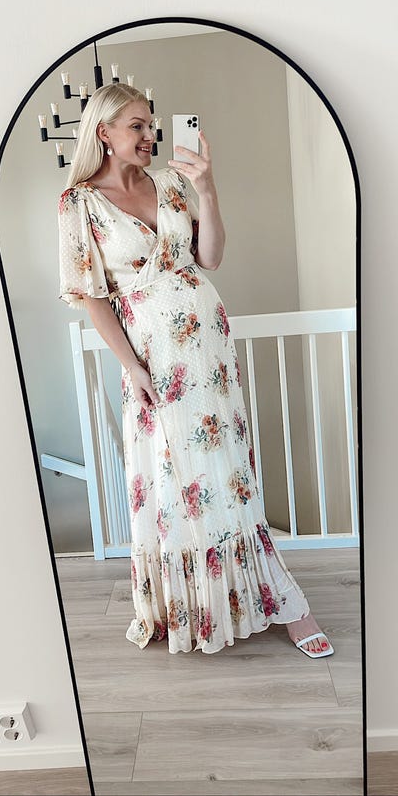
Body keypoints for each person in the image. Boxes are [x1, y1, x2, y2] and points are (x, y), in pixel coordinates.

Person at [58, 83, 333, 658]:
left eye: (151, 123)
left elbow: (210, 257)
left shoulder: (171, 183)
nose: (150, 134)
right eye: (136, 125)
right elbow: (93, 298)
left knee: (227, 469)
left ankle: (281, 599)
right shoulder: (79, 204)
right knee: (174, 477)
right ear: (103, 132)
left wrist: (206, 187)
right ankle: (194, 607)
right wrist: (131, 368)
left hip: (208, 350)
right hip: (153, 360)